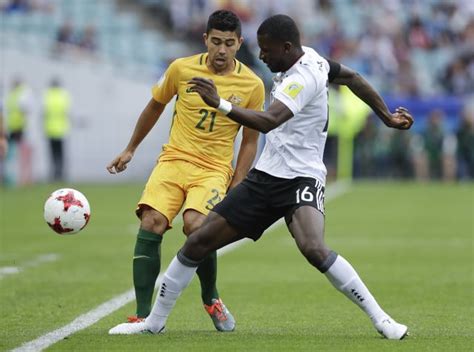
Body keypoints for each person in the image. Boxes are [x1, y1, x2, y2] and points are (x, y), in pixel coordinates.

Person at [109, 14, 413, 339]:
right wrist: (386, 116)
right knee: (198, 240)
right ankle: (154, 322)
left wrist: (220, 104)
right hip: (266, 176)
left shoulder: (302, 78)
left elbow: (268, 121)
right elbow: (352, 77)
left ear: (285, 47)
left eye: (267, 51)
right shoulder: (314, 59)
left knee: (313, 247)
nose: (262, 57)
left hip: (301, 179)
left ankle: (382, 319)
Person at [106, 10, 264, 332]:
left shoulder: (252, 84)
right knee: (151, 221)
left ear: (239, 44)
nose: (222, 50)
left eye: (229, 44)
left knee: (197, 226)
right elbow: (155, 106)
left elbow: (250, 140)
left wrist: (238, 180)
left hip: (214, 168)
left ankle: (211, 297)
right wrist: (130, 148)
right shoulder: (181, 68)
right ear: (205, 39)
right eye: (216, 41)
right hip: (174, 160)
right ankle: (143, 314)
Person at [43, 78, 71, 181]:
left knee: (52, 154)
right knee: (61, 155)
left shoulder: (47, 95)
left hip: (50, 130)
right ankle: (61, 174)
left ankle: (54, 174)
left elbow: (44, 113)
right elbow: (67, 112)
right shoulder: (64, 95)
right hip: (61, 130)